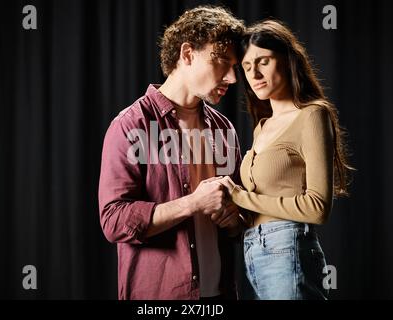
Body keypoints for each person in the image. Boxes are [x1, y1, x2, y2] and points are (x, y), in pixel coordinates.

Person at [98, 6, 246, 300]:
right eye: (222, 62)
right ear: (188, 54)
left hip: (219, 295)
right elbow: (113, 221)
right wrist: (193, 203)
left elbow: (241, 218)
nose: (232, 77)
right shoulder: (130, 125)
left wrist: (235, 220)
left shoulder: (223, 129)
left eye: (236, 66)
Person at [216, 20, 353, 300]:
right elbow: (263, 204)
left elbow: (317, 208)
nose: (254, 73)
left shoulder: (312, 115)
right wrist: (236, 217)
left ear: (287, 60)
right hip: (254, 249)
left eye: (263, 61)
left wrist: (240, 197)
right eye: (246, 66)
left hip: (287, 247)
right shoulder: (262, 126)